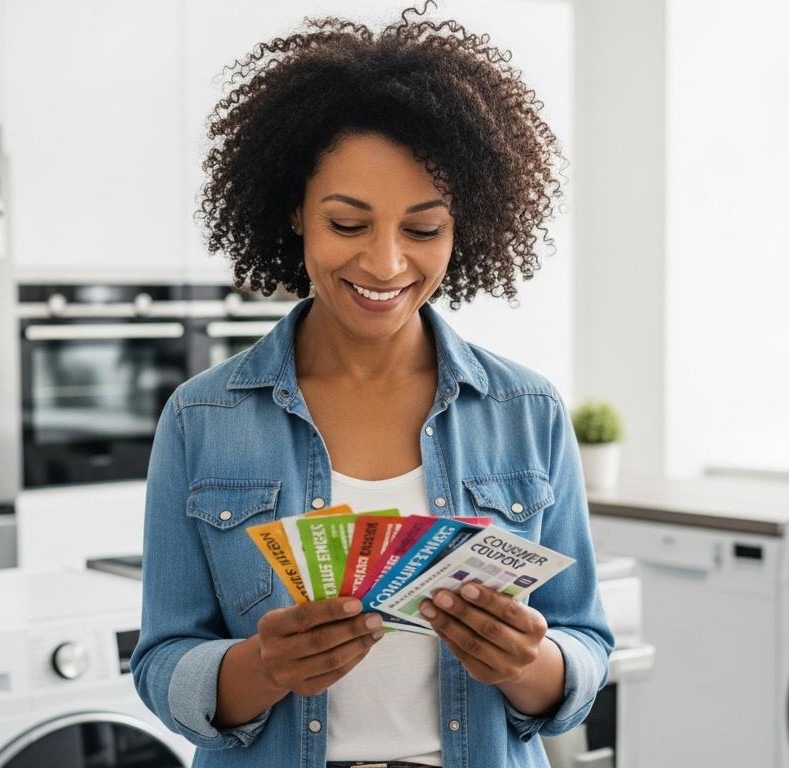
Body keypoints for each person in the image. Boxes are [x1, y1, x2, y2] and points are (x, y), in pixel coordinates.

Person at [131, 5, 613, 767]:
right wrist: (259, 669)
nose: (386, 264)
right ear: (294, 212)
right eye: (348, 224)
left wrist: (531, 664)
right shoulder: (203, 419)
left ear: (467, 228)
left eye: (423, 230)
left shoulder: (528, 413)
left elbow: (583, 643)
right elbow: (159, 664)